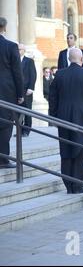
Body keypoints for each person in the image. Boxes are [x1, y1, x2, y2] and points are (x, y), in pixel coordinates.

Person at [49, 48, 83, 194]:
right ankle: (77, 185)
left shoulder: (59, 74)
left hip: (63, 118)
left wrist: (53, 116)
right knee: (80, 151)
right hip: (82, 119)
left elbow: (52, 97)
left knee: (65, 150)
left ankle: (69, 185)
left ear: (69, 59)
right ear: (82, 59)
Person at [0, 17, 24, 169]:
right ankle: (3, 159)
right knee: (6, 124)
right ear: (5, 28)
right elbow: (17, 72)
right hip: (6, 91)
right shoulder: (10, 46)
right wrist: (20, 94)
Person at [17, 44, 37, 137]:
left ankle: (26, 130)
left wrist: (31, 88)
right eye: (17, 49)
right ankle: (19, 130)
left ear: (24, 50)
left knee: (27, 111)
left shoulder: (29, 61)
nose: (18, 51)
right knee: (17, 111)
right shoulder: (14, 60)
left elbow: (33, 74)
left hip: (26, 90)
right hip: (16, 90)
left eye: (20, 49)